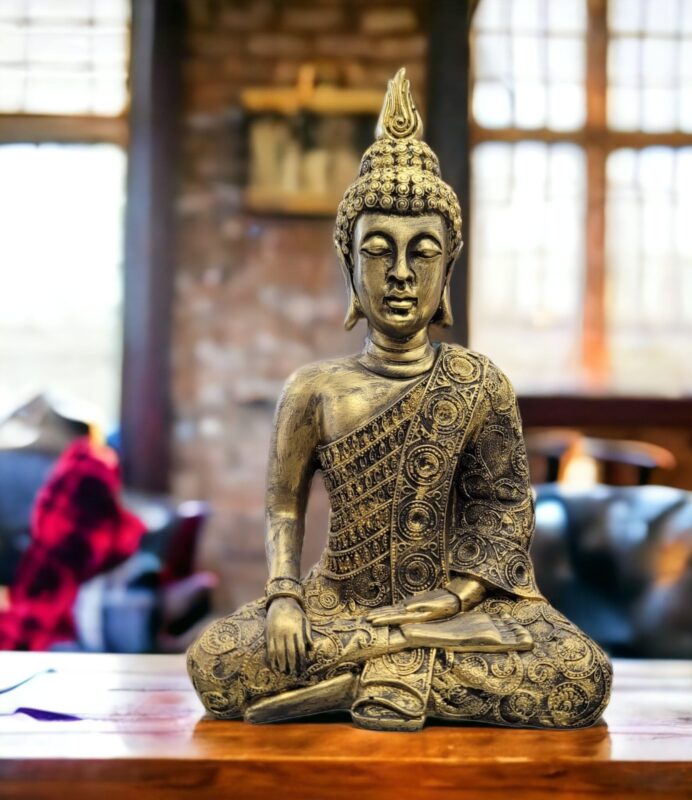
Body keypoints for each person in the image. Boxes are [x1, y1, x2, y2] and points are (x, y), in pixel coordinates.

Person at [187, 69, 611, 731]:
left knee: (581, 675)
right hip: (340, 606)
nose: (403, 275)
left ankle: (357, 680)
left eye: (424, 252)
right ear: (348, 261)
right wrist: (284, 599)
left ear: (450, 264)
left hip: (453, 611)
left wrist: (457, 595)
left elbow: (502, 510)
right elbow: (283, 504)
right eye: (379, 251)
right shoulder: (314, 389)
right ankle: (392, 672)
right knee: (215, 663)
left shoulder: (480, 383)